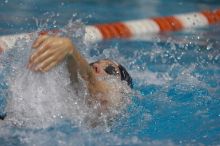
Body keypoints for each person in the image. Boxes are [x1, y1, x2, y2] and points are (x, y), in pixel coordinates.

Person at [27, 34, 133, 115]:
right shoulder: (75, 88)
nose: (96, 65)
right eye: (95, 62)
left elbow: (90, 79)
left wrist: (70, 49)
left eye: (110, 70)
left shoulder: (112, 99)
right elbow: (76, 70)